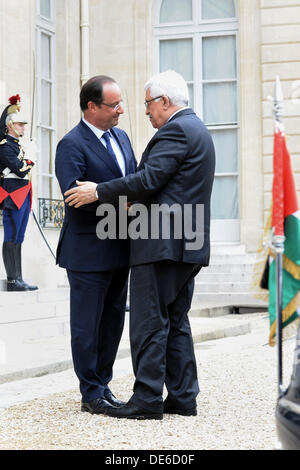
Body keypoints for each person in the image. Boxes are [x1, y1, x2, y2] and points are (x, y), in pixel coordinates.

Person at [64, 70, 215, 420]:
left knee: (149, 322)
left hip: (162, 243)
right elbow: (163, 185)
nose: (145, 111)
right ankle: (182, 396)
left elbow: (149, 178)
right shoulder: (197, 128)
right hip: (185, 242)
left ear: (165, 102)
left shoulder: (176, 129)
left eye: (148, 103)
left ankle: (147, 399)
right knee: (176, 321)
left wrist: (99, 191)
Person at [55, 76, 136, 414]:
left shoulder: (122, 137)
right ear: (91, 106)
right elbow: (75, 196)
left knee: (113, 321)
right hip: (88, 252)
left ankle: (104, 383)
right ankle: (90, 393)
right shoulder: (71, 144)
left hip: (121, 248)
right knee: (87, 325)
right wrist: (124, 204)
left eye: (120, 103)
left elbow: (132, 178)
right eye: (113, 105)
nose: (121, 110)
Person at [0, 95, 38, 291]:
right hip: (12, 195)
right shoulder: (5, 147)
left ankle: (19, 278)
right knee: (11, 236)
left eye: (23, 125)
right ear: (10, 126)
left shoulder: (18, 146)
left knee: (19, 237)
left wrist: (28, 155)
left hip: (23, 193)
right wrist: (30, 158)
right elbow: (20, 169)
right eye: (20, 124)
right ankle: (12, 280)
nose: (23, 127)